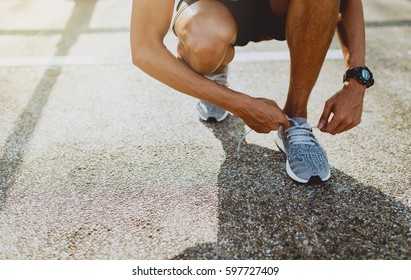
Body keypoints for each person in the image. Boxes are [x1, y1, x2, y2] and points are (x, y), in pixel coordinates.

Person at [130, 0, 374, 183]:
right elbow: (145, 48)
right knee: (205, 42)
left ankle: (295, 120)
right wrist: (237, 103)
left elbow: (348, 2)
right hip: (213, 9)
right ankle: (213, 75)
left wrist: (356, 81)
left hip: (286, 7)